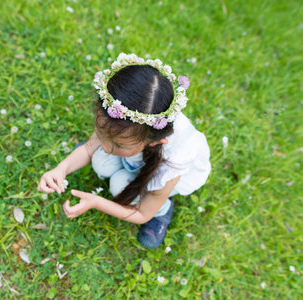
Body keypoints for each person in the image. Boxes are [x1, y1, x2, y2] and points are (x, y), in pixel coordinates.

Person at [37, 53, 211, 249]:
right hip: (137, 154)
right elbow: (91, 145)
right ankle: (118, 161)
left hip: (159, 169)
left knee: (119, 185)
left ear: (154, 142)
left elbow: (141, 214)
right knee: (99, 161)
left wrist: (97, 202)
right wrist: (61, 168)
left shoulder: (175, 159)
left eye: (118, 145)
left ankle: (162, 210)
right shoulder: (119, 119)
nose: (105, 146)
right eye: (101, 133)